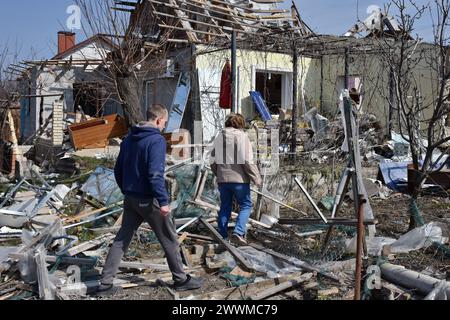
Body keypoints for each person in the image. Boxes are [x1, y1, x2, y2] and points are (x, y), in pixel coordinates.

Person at [97, 104, 203, 294]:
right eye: (164, 122)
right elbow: (155, 174)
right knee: (169, 238)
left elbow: (117, 169)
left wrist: (127, 190)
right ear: (158, 120)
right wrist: (163, 202)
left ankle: (105, 283)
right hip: (149, 199)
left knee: (122, 239)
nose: (164, 126)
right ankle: (180, 279)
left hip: (131, 198)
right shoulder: (156, 141)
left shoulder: (129, 139)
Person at [210, 113, 262, 246]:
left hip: (223, 180)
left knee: (225, 207)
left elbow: (212, 160)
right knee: (246, 205)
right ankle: (238, 232)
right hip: (239, 180)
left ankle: (222, 236)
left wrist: (218, 174)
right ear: (241, 124)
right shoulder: (242, 137)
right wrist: (256, 178)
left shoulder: (219, 137)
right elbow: (247, 160)